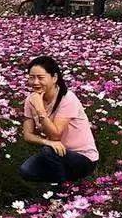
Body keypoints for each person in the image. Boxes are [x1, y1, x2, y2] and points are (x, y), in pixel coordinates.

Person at [19, 56, 99, 185]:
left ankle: (61, 193)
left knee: (49, 152)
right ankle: (66, 182)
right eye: (31, 77)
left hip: (83, 158)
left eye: (40, 77)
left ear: (54, 78)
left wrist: (40, 109)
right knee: (26, 170)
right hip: (56, 153)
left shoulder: (67, 98)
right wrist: (47, 142)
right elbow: (28, 135)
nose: (35, 82)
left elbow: (55, 134)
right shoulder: (31, 100)